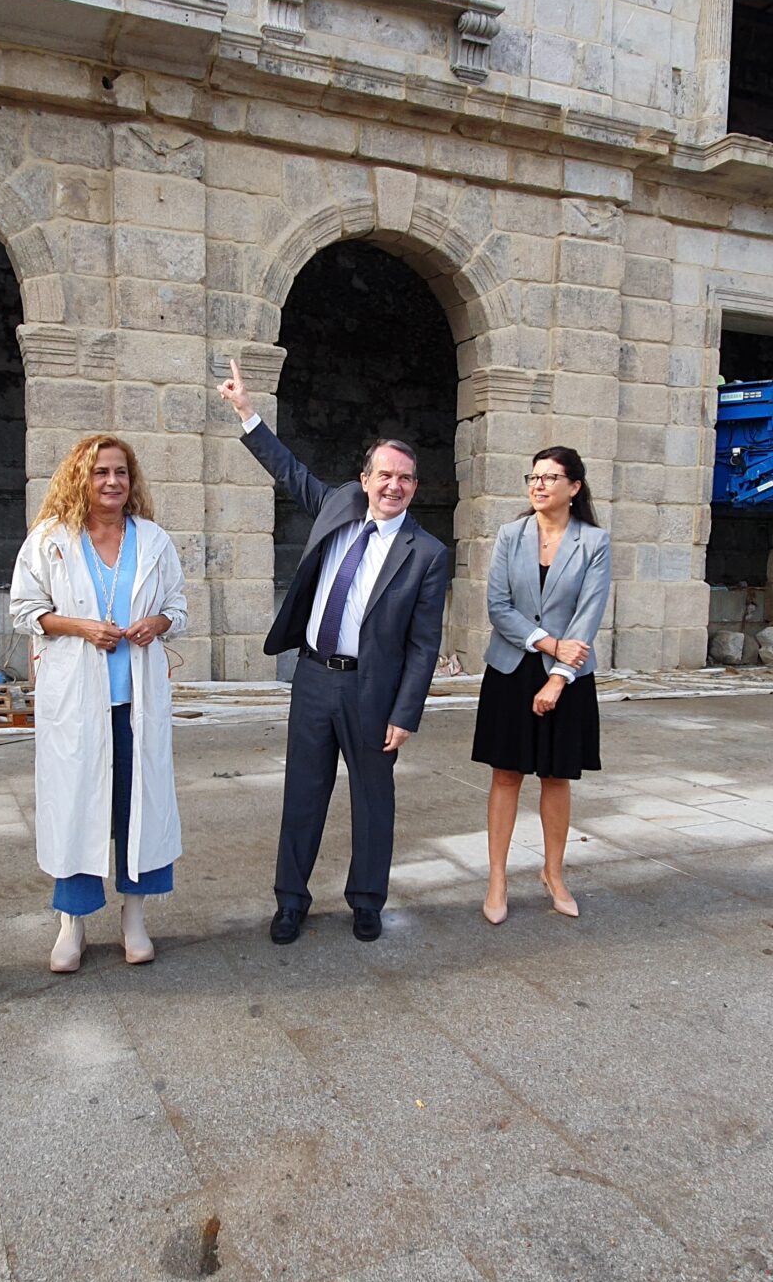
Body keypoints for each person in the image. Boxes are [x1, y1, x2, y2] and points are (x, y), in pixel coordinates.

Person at [218, 360, 451, 944]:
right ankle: (291, 901)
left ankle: (367, 901)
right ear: (365, 478)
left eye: (405, 478)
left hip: (373, 692)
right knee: (303, 794)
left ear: (414, 487)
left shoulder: (426, 554)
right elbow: (289, 472)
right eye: (384, 475)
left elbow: (425, 645)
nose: (394, 485)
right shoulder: (339, 508)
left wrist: (405, 713)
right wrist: (248, 415)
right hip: (315, 678)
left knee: (373, 802)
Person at [9, 435, 187, 972]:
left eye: (121, 473)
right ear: (79, 479)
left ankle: (135, 916)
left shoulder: (153, 540)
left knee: (138, 808)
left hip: (135, 701)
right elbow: (24, 610)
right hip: (77, 705)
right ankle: (73, 924)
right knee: (76, 809)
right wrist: (80, 627)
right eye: (99, 472)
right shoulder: (51, 539)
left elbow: (177, 606)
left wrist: (158, 622)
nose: (112, 482)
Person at [474, 446, 612, 925]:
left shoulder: (594, 542)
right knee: (506, 774)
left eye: (550, 478)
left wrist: (558, 678)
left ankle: (554, 873)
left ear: (574, 487)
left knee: (556, 777)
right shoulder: (510, 535)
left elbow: (588, 617)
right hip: (512, 668)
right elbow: (498, 606)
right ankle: (497, 879)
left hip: (569, 677)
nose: (539, 485)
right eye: (533, 476)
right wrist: (549, 645)